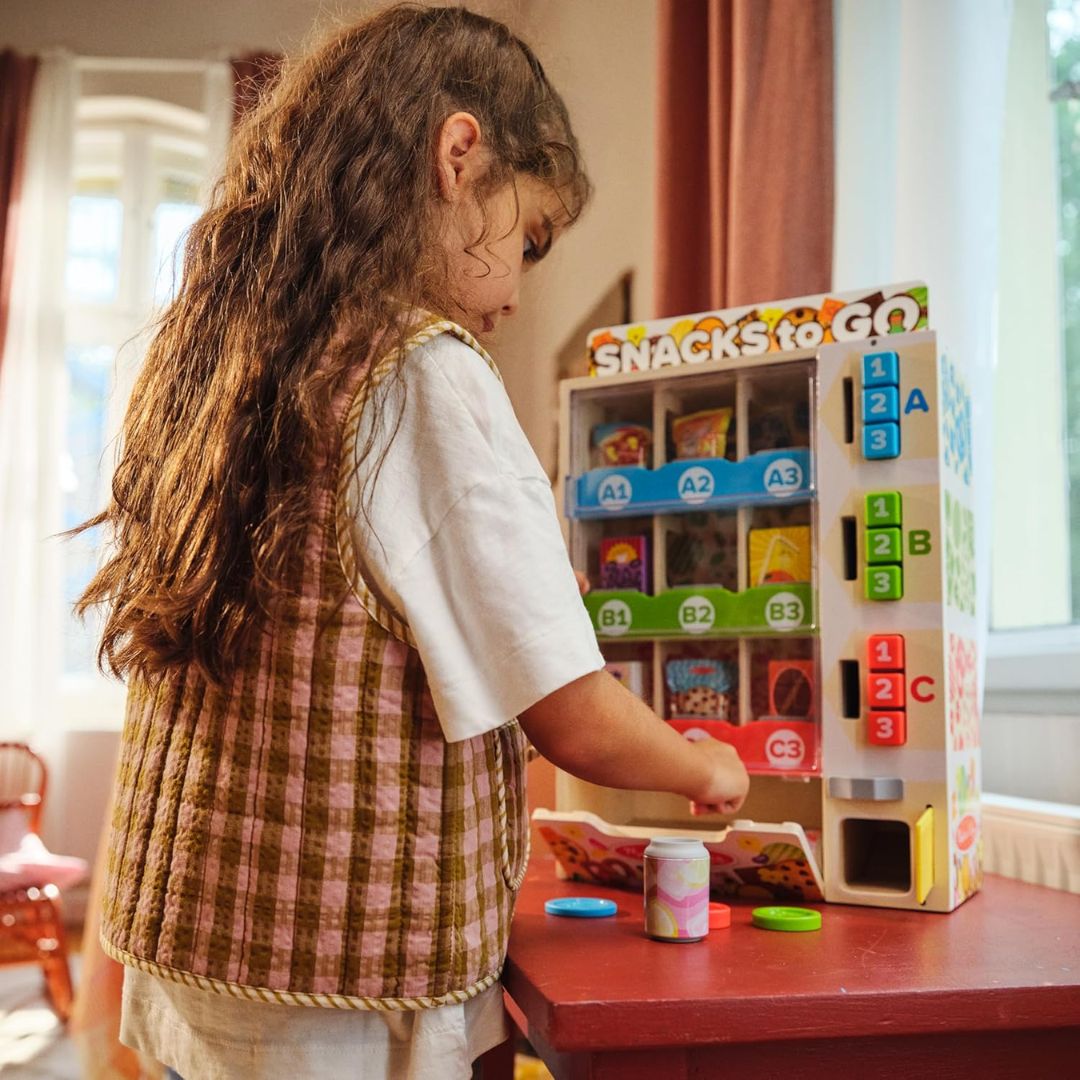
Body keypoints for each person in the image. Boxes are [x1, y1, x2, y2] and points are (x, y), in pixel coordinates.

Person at [74, 5, 749, 1078]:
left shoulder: (210, 364)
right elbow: (569, 708)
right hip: (339, 984)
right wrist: (705, 767)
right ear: (458, 155)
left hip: (196, 946)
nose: (518, 297)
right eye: (526, 239)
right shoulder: (422, 375)